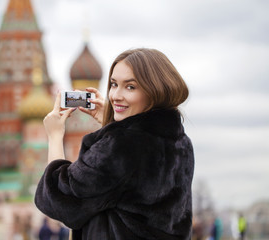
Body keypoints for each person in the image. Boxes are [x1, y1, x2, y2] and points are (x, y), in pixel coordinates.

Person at [35, 48, 194, 239]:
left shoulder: (122, 146)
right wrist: (111, 125)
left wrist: (54, 135)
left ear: (154, 91)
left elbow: (60, 200)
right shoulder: (181, 143)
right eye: (113, 84)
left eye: (130, 87)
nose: (116, 96)